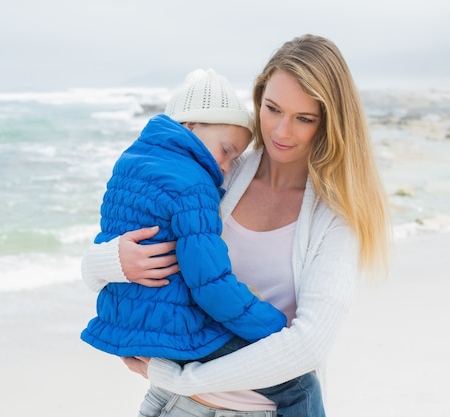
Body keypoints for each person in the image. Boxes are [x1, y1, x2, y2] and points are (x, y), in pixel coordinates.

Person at [82, 34, 390, 416]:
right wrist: (111, 261)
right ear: (258, 99)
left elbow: (308, 345)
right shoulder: (220, 172)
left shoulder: (336, 217)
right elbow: (108, 263)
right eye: (273, 109)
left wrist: (185, 378)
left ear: (328, 123)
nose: (280, 131)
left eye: (303, 119)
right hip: (170, 405)